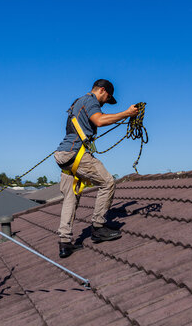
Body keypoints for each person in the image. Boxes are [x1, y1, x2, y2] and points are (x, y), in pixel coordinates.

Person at [54, 79, 139, 258]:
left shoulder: (76, 103)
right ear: (101, 90)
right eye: (107, 98)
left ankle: (64, 243)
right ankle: (98, 227)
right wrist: (127, 113)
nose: (105, 103)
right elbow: (99, 121)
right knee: (108, 182)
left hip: (63, 155)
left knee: (71, 198)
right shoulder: (91, 100)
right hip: (76, 153)